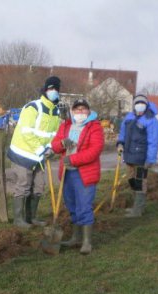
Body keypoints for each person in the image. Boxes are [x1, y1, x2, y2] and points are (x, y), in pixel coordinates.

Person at [49, 98, 104, 255]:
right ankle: (75, 237)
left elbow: (95, 150)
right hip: (68, 173)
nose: (80, 112)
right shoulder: (66, 125)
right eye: (77, 109)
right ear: (72, 111)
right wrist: (62, 144)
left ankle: (86, 242)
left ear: (89, 111)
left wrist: (72, 159)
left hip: (84, 173)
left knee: (84, 206)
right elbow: (55, 144)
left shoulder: (94, 127)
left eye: (83, 109)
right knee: (72, 206)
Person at [7, 76, 62, 228]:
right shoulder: (33, 107)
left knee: (39, 186)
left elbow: (54, 135)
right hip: (22, 153)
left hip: (40, 157)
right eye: (51, 89)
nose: (53, 92)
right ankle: (19, 219)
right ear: (45, 90)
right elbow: (26, 132)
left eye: (56, 89)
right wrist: (41, 149)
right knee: (23, 185)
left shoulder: (56, 112)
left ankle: (32, 217)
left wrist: (51, 148)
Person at [115, 94, 158, 217]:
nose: (139, 106)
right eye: (137, 103)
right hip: (129, 155)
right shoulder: (129, 117)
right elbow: (122, 133)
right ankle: (136, 206)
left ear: (146, 105)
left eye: (142, 104)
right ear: (134, 105)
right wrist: (120, 144)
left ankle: (138, 209)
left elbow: (153, 141)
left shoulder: (151, 120)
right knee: (131, 181)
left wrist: (150, 159)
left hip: (142, 157)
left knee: (140, 182)